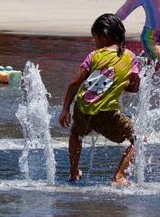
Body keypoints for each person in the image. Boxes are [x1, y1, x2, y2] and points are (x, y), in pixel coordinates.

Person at [59, 13, 141, 187]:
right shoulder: (129, 57)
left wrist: (65, 109)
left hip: (82, 107)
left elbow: (74, 82)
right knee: (139, 138)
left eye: (95, 38)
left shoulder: (94, 56)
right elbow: (134, 87)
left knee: (76, 134)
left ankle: (74, 172)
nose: (95, 43)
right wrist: (122, 82)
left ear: (104, 35)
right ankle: (119, 175)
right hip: (108, 114)